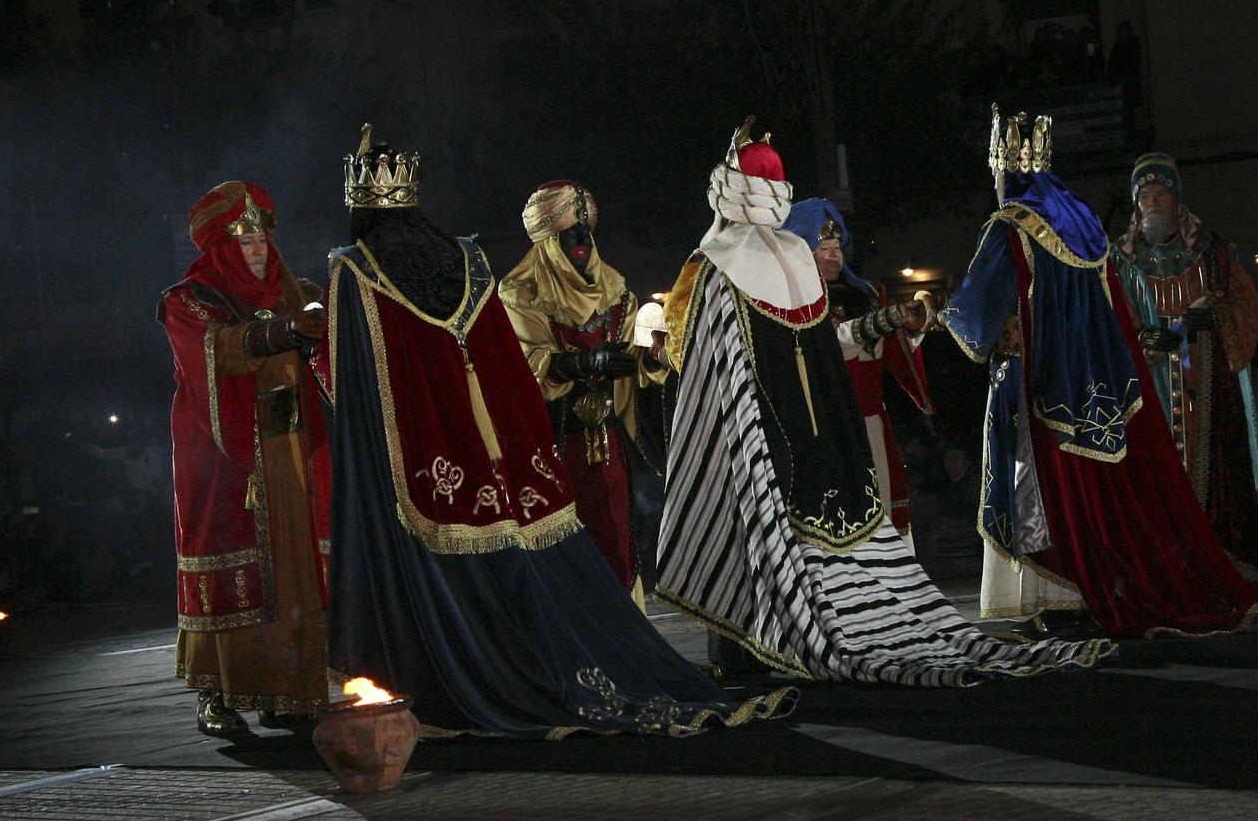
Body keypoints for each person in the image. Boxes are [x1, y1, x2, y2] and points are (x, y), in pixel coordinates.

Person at [310, 126, 791, 737]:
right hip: (518, 454)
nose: (583, 247)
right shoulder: (478, 266)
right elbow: (515, 369)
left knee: (615, 538)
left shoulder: (355, 270)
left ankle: (454, 674)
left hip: (428, 456)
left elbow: (351, 381)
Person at [656, 118, 1112, 683]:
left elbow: (695, 362)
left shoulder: (714, 268)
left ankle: (747, 641)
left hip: (754, 428)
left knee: (750, 526)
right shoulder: (795, 265)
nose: (827, 248)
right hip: (822, 436)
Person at [942, 108, 1258, 636]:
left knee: (1040, 492)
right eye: (1144, 194)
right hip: (1102, 393)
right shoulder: (1082, 225)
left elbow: (974, 317)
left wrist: (949, 321)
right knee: (1088, 494)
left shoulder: (1010, 226)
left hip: (1042, 385)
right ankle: (1089, 587)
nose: (1152, 202)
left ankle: (1052, 594)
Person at [158, 181, 333, 736]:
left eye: (263, 239)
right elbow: (216, 353)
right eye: (246, 241)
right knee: (230, 559)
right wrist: (280, 331)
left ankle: (288, 692)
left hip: (289, 448)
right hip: (223, 456)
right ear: (220, 249)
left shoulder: (294, 291)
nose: (259, 250)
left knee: (290, 567)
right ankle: (217, 692)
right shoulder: (189, 302)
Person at [1114, 152, 1258, 572]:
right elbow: (1106, 320)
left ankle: (1220, 555)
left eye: (1161, 193)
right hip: (1147, 382)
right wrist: (1141, 338)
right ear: (1136, 203)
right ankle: (1162, 562)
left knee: (1216, 466)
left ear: (1176, 199)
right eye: (1145, 194)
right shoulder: (1119, 260)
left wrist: (1216, 320)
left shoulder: (1213, 252)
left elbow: (1249, 311)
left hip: (1206, 379)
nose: (1153, 201)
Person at [499, 181, 664, 598]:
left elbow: (633, 356)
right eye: (570, 232)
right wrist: (579, 362)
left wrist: (651, 358)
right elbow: (518, 367)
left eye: (586, 229)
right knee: (566, 538)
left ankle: (627, 633)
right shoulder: (520, 293)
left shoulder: (614, 287)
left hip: (606, 439)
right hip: (549, 441)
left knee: (616, 529)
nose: (582, 240)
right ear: (548, 240)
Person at [782, 198, 936, 540]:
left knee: (884, 504)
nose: (834, 255)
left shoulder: (866, 293)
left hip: (872, 421)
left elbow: (892, 351)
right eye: (824, 247)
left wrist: (913, 328)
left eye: (837, 247)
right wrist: (889, 318)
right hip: (829, 423)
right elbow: (831, 343)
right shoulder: (796, 304)